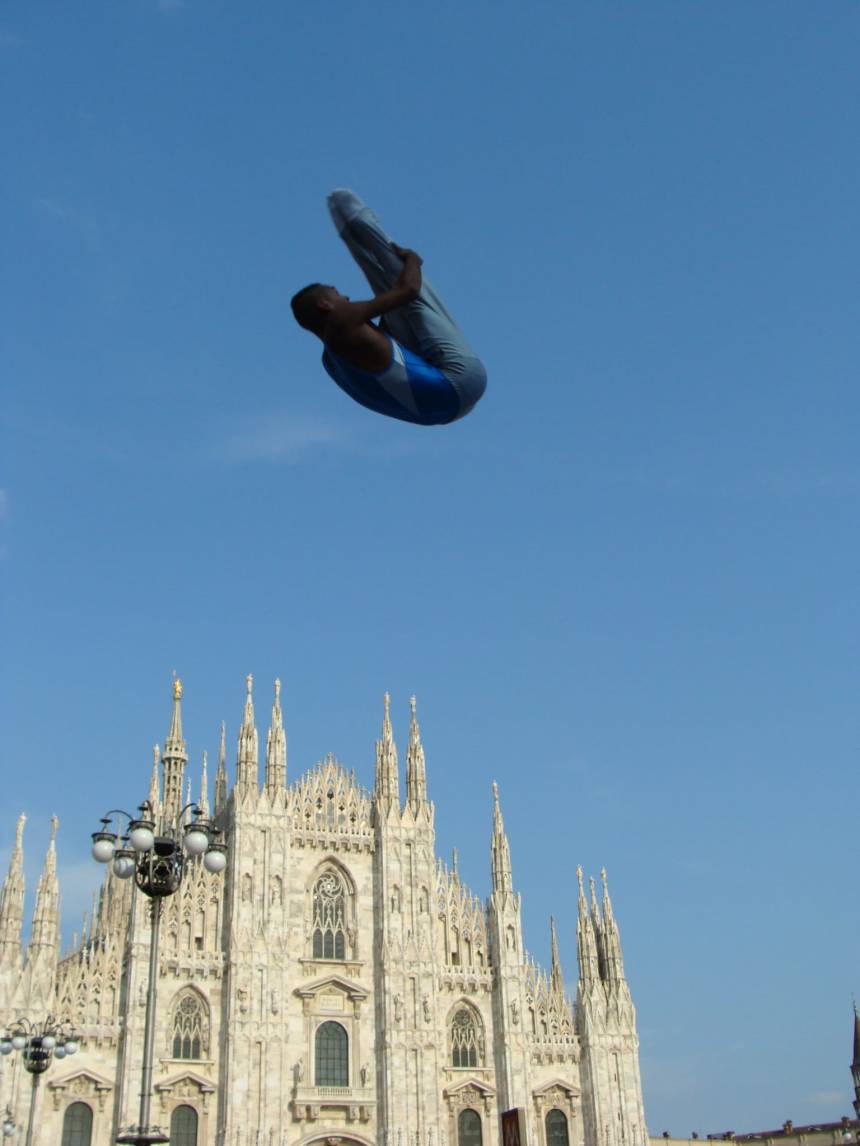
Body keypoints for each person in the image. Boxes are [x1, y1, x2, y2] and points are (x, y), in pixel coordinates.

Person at [291, 189, 487, 426]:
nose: (346, 296)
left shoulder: (331, 363)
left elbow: (393, 363)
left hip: (442, 413)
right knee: (412, 300)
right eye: (336, 293)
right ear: (325, 304)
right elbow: (409, 290)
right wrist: (413, 260)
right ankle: (361, 225)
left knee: (394, 303)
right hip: (460, 380)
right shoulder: (342, 319)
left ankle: (354, 229)